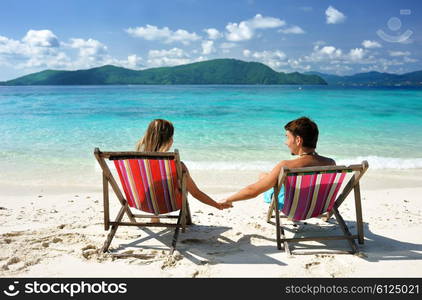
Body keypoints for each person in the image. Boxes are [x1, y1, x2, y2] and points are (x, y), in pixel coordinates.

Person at [219, 116, 335, 207]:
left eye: (287, 137)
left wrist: (228, 199)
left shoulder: (286, 166)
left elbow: (252, 191)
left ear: (298, 140)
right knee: (264, 175)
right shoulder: (330, 163)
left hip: (292, 207)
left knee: (263, 177)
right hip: (318, 206)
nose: (286, 142)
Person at [136, 119, 232, 219]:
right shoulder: (176, 165)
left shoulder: (137, 163)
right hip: (168, 205)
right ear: (170, 140)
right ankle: (156, 216)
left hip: (143, 203)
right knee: (181, 184)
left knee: (154, 184)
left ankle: (154, 218)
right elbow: (195, 192)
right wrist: (217, 205)